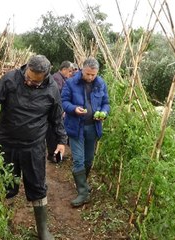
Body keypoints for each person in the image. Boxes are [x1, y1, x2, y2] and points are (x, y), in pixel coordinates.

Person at [0, 55, 67, 240]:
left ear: (44, 77)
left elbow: (56, 118)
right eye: (27, 76)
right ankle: (6, 224)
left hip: (33, 146)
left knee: (37, 186)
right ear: (26, 68)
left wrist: (60, 141)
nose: (28, 81)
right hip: (7, 144)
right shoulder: (11, 79)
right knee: (6, 186)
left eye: (34, 81)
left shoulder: (52, 89)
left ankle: (43, 230)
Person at [61, 57, 110, 207]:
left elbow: (106, 103)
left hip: (93, 127)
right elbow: (64, 102)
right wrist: (73, 109)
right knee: (78, 159)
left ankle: (82, 182)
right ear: (82, 69)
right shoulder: (71, 83)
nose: (90, 77)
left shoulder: (101, 84)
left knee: (88, 159)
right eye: (87, 74)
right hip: (76, 126)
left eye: (93, 75)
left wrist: (103, 112)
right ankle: (83, 192)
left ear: (97, 73)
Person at [46, 60, 73, 163]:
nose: (70, 73)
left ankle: (55, 155)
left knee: (55, 132)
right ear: (64, 69)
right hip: (54, 109)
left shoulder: (61, 78)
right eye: (69, 71)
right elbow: (57, 95)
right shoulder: (57, 78)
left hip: (57, 109)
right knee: (53, 133)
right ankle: (52, 155)